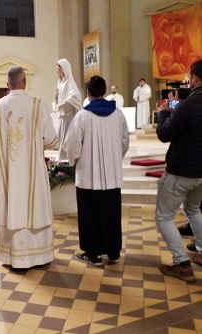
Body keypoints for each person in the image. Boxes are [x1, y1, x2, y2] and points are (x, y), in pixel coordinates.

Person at [0, 65, 58, 269]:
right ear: (25, 82)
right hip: (33, 170)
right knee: (35, 205)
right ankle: (38, 256)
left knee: (12, 206)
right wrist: (34, 144)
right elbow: (52, 140)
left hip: (8, 172)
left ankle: (13, 256)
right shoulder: (37, 104)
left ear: (7, 84)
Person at [64, 75, 129, 266]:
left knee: (89, 215)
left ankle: (93, 254)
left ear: (88, 93)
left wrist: (74, 161)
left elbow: (73, 146)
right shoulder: (118, 114)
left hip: (88, 177)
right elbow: (125, 142)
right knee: (111, 214)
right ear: (105, 91)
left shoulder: (83, 116)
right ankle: (113, 251)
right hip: (112, 178)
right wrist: (115, 159)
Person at [155, 59, 202, 283]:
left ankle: (182, 263)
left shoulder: (188, 106)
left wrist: (164, 112)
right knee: (194, 210)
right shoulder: (188, 105)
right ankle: (201, 252)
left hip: (182, 171)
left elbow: (165, 134)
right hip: (201, 174)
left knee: (164, 216)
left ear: (194, 78)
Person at [54, 59, 82, 160]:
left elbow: (76, 97)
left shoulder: (70, 82)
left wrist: (64, 105)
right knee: (61, 139)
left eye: (59, 69)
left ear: (64, 69)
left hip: (68, 117)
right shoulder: (60, 83)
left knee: (67, 140)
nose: (57, 71)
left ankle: (67, 161)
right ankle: (62, 160)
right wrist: (56, 97)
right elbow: (59, 99)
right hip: (62, 117)